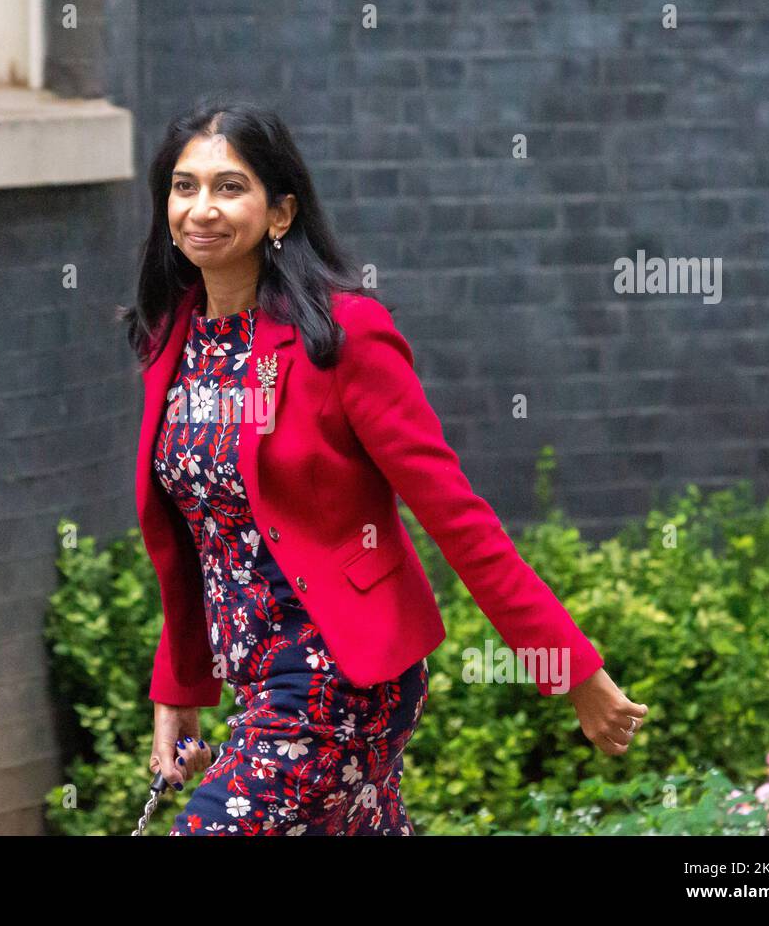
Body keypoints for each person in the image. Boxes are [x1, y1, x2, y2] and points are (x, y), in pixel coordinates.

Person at [119, 99, 647, 836]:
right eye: (184, 186)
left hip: (339, 672)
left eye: (229, 186)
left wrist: (572, 670)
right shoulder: (171, 338)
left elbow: (455, 515)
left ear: (280, 212)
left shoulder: (342, 336)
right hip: (257, 681)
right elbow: (194, 541)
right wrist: (177, 687)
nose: (201, 208)